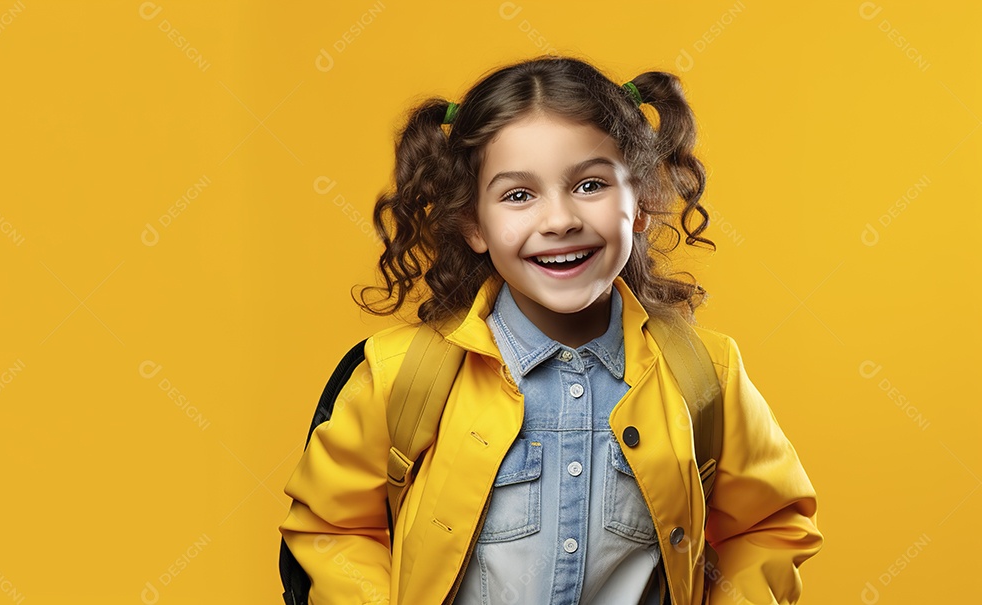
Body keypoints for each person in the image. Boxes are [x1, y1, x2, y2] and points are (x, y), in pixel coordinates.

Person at [279, 54, 823, 605]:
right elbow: (331, 527)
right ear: (473, 223)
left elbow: (769, 525)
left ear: (641, 203)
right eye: (519, 195)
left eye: (590, 185)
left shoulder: (706, 374)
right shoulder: (402, 375)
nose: (560, 220)